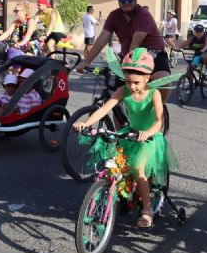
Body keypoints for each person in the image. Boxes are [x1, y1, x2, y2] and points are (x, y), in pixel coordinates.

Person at [73, 48, 176, 228]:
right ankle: (115, 194)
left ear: (147, 78)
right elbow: (105, 108)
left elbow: (159, 121)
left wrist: (148, 132)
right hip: (130, 133)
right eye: (128, 81)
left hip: (148, 137)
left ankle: (146, 210)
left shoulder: (154, 93)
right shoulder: (124, 90)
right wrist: (86, 123)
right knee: (113, 163)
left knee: (137, 169)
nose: (132, 86)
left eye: (136, 82)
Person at [76, 0, 171, 100]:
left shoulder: (143, 16)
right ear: (118, 1)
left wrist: (126, 67)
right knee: (118, 98)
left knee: (163, 80)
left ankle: (159, 112)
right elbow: (102, 38)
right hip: (128, 57)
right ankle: (120, 115)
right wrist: (87, 61)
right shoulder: (114, 16)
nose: (126, 3)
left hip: (153, 55)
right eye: (122, 0)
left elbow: (135, 45)